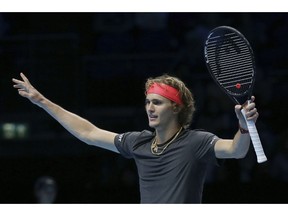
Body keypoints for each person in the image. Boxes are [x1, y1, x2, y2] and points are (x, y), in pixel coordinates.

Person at [12, 72, 259, 203]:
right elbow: (88, 133)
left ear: (176, 107)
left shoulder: (196, 142)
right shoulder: (138, 142)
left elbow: (236, 150)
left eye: (158, 102)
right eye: (147, 102)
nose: (149, 107)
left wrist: (244, 127)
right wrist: (43, 102)